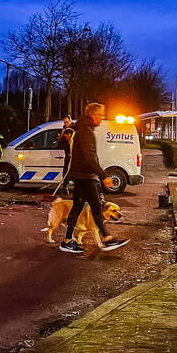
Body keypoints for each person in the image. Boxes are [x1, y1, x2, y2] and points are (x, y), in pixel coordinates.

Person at [59, 103, 128, 254]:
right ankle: (107, 238)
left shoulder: (83, 128)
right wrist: (103, 175)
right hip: (85, 176)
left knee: (77, 208)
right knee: (97, 208)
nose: (101, 119)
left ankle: (67, 241)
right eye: (100, 116)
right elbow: (89, 156)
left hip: (80, 175)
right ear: (94, 115)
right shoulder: (85, 131)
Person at [54, 115, 75, 191]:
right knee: (66, 169)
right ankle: (65, 186)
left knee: (73, 170)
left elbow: (70, 139)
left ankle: (74, 186)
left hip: (73, 153)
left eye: (67, 122)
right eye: (64, 122)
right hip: (67, 152)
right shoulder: (64, 129)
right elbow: (60, 140)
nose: (66, 124)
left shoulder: (73, 129)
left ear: (70, 120)